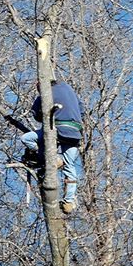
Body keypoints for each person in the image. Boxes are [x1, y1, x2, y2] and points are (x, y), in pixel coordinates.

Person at [20, 79, 84, 215]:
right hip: (75, 132)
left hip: (57, 129)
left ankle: (48, 158)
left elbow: (36, 115)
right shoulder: (69, 89)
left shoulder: (45, 92)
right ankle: (69, 202)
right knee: (70, 166)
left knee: (26, 138)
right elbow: (82, 109)